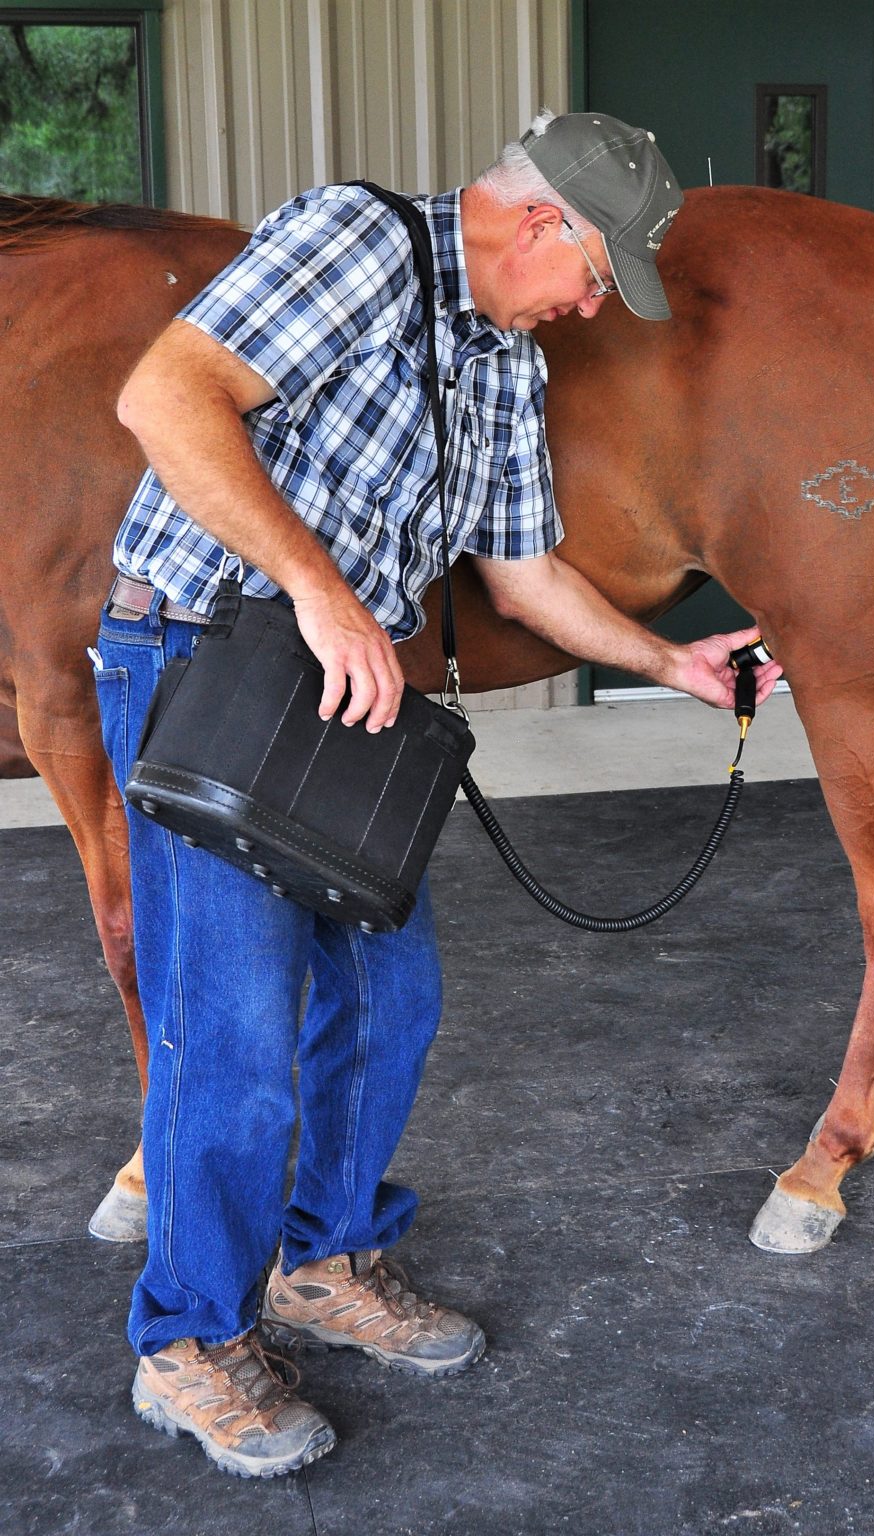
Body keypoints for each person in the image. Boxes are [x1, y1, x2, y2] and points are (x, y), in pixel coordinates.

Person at [98, 109, 782, 1479]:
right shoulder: (353, 239)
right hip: (207, 657)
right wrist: (320, 588)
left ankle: (323, 1258)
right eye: (594, 271)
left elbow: (524, 574)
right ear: (536, 221)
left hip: (346, 690)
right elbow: (164, 397)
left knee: (391, 997)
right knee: (228, 1034)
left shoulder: (501, 359)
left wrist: (672, 662)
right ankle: (185, 1342)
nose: (594, 304)